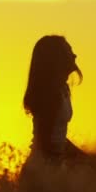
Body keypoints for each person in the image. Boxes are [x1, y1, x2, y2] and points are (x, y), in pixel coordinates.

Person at [19, 35, 84, 183]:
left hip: (52, 167)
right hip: (41, 170)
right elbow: (45, 142)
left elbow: (58, 138)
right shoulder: (50, 94)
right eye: (69, 51)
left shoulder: (63, 89)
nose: (74, 55)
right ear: (57, 58)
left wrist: (87, 157)